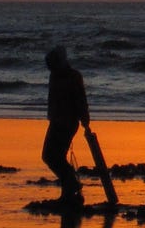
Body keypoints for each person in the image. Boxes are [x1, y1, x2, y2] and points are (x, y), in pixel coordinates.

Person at [41, 46, 90, 205]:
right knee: (51, 156)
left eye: (52, 64)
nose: (50, 68)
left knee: (52, 157)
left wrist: (85, 120)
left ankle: (70, 185)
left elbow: (81, 100)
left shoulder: (73, 77)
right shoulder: (54, 75)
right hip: (56, 121)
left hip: (67, 123)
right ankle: (69, 186)